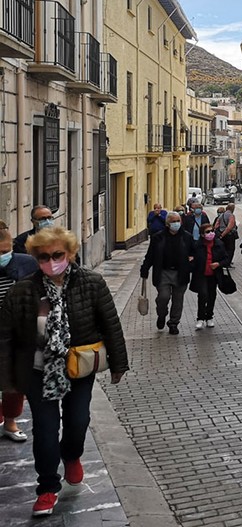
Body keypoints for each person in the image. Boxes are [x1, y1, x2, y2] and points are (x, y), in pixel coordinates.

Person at [0, 226, 128, 517]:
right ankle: (46, 487)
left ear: (70, 253)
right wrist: (7, 380)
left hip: (78, 368)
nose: (51, 261)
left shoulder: (91, 283)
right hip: (36, 372)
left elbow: (111, 324)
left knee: (77, 420)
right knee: (45, 432)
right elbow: (6, 336)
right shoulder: (23, 290)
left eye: (57, 254)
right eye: (43, 256)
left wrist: (118, 364)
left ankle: (72, 455)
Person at [0, 221, 39, 443]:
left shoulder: (26, 264)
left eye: (6, 251)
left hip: (16, 333)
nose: (3, 256)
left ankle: (10, 422)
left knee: (14, 381)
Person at [140, 212, 194, 335]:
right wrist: (145, 268)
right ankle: (162, 314)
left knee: (178, 300)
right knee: (163, 297)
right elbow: (151, 255)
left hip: (180, 273)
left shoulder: (187, 237)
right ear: (168, 223)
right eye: (173, 221)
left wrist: (191, 263)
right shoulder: (158, 237)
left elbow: (194, 252)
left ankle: (174, 323)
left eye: (178, 221)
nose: (176, 224)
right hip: (163, 272)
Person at [189, 222, 231, 331]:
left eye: (212, 231)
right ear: (202, 234)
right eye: (208, 232)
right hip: (201, 274)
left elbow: (226, 259)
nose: (211, 233)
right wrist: (191, 261)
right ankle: (200, 318)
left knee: (212, 296)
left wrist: (218, 264)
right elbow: (191, 258)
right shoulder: (197, 245)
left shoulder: (219, 244)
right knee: (203, 294)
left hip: (214, 275)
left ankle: (209, 317)